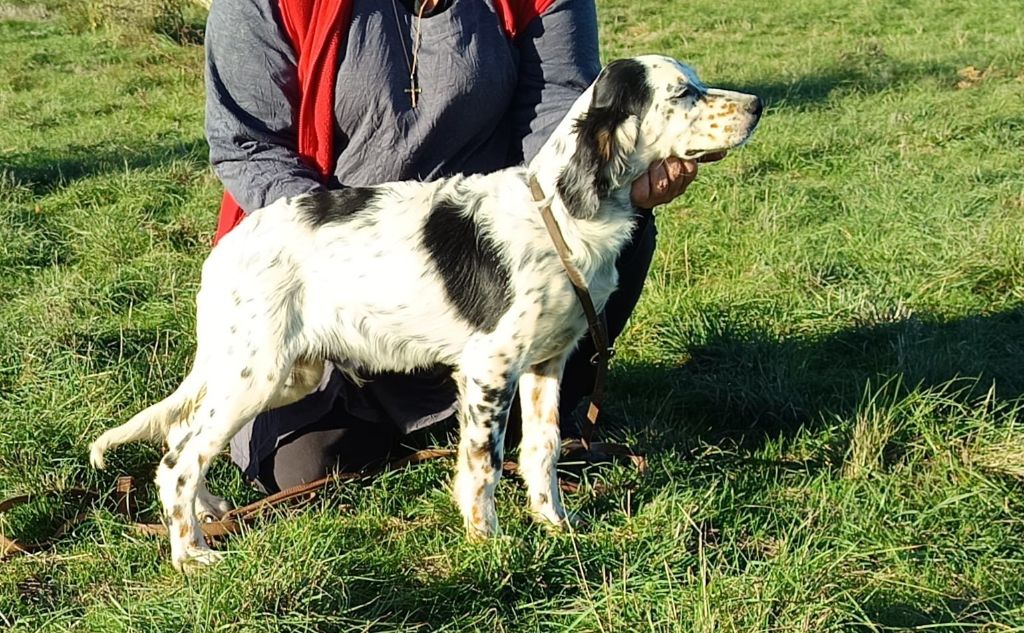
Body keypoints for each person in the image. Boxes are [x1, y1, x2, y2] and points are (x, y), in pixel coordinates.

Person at [204, 0, 719, 494]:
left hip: (492, 270)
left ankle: (508, 403)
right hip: (335, 278)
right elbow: (247, 147)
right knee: (312, 467)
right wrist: (367, 265)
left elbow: (559, 119)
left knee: (607, 225)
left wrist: (623, 186)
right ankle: (414, 402)